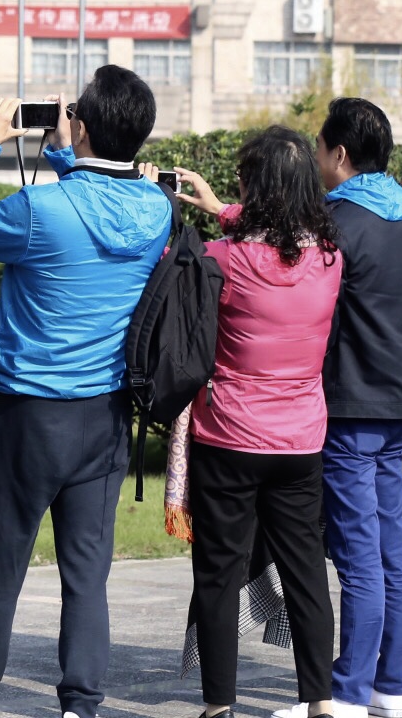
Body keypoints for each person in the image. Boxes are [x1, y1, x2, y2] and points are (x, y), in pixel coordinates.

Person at [0, 69, 172, 718]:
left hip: (28, 414)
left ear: (84, 125)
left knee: (1, 561)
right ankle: (80, 703)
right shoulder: (157, 210)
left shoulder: (40, 210)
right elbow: (100, 199)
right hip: (105, 416)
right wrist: (74, 154)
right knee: (87, 573)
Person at [156, 128, 340, 718]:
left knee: (218, 573)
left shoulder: (223, 258)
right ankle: (320, 702)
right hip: (300, 441)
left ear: (254, 188)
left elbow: (182, 272)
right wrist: (223, 209)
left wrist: (195, 212)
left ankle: (219, 707)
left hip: (229, 437)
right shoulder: (329, 260)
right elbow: (280, 236)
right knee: (306, 572)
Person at [314, 98, 402, 718]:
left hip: (352, 407)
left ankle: (349, 694)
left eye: (319, 147)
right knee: (390, 554)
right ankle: (392, 689)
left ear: (339, 154)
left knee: (359, 557)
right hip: (401, 404)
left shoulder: (337, 223)